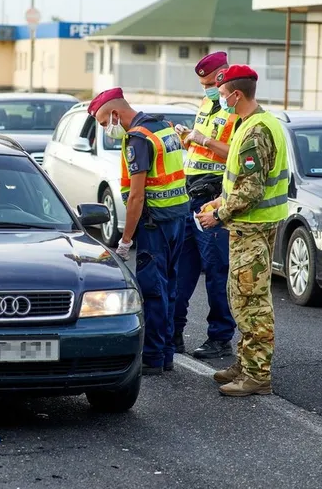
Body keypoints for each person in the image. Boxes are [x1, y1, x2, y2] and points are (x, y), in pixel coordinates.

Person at [196, 65, 289, 397]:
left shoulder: (254, 131)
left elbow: (251, 190)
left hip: (252, 227)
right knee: (242, 297)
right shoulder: (256, 122)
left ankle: (257, 375)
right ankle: (245, 362)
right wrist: (221, 200)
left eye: (222, 94)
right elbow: (241, 183)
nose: (220, 99)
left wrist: (217, 214)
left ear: (236, 94)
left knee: (252, 302)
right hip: (252, 225)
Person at [88, 87, 190, 375]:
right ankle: (167, 353)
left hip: (154, 224)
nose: (106, 129)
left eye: (104, 122)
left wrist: (125, 239)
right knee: (169, 287)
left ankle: (154, 358)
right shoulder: (163, 125)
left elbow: (136, 196)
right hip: (177, 217)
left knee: (153, 291)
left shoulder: (138, 139)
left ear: (116, 115)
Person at [173, 52, 237, 359]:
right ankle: (173, 332)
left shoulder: (236, 111)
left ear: (225, 74)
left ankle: (220, 337)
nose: (208, 89)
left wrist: (203, 140)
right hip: (190, 194)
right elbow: (200, 148)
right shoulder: (207, 104)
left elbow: (234, 156)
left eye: (212, 83)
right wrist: (188, 138)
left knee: (216, 269)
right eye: (203, 84)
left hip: (214, 197)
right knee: (181, 267)